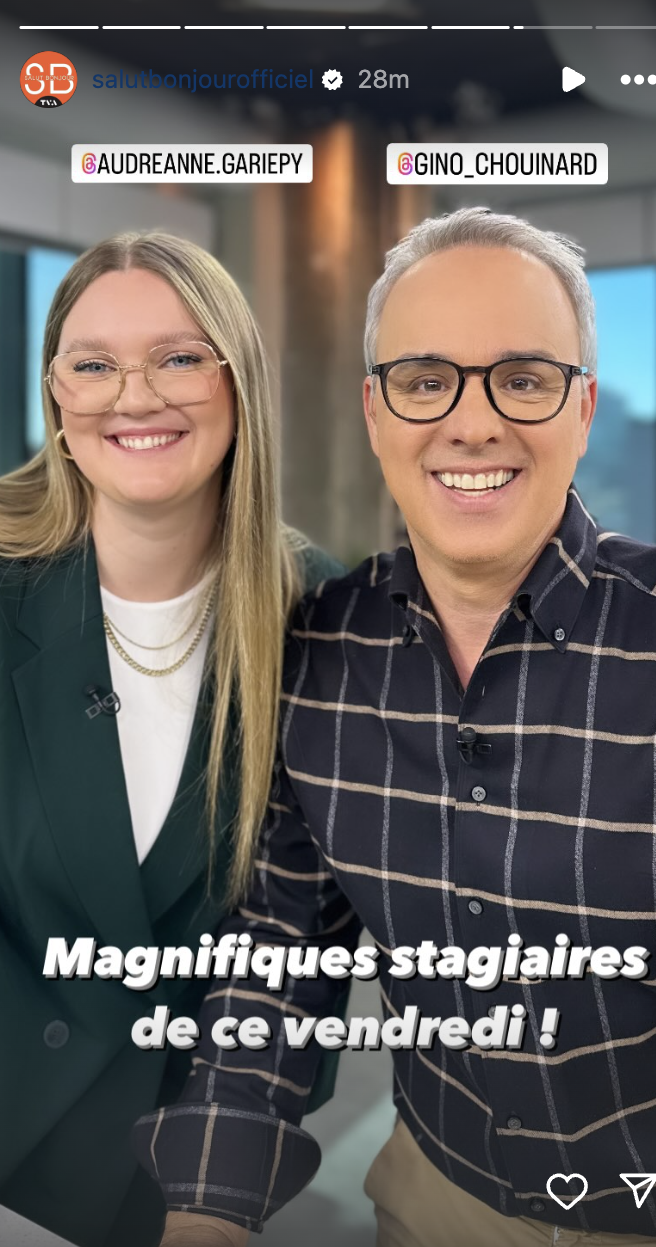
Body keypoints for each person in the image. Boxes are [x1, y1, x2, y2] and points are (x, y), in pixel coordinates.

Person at [135, 206, 656, 1247]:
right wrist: (205, 1214)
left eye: (521, 379)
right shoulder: (315, 656)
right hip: (437, 1199)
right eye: (424, 378)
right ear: (373, 411)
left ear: (579, 412)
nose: (471, 422)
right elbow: (276, 963)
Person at [0, 230, 343, 1247]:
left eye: (179, 357)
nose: (132, 396)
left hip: (168, 1184)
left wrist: (213, 1200)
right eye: (93, 364)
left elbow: (298, 949)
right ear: (56, 393)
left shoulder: (320, 613)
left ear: (239, 384)